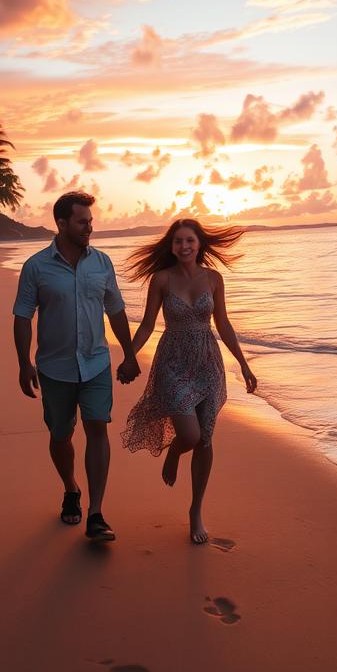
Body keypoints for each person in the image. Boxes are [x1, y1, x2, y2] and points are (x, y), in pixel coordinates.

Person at [119, 218, 257, 544]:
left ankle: (195, 510)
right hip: (173, 362)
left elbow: (222, 323)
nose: (184, 246)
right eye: (179, 241)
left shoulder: (214, 279)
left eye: (190, 241)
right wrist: (129, 355)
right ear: (172, 245)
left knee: (206, 439)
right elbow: (148, 324)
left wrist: (244, 364)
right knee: (191, 435)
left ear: (199, 244)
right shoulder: (162, 279)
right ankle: (174, 453)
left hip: (208, 362)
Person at [13, 192, 140, 542]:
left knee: (97, 427)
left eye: (90, 221)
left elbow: (115, 310)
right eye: (83, 221)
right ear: (63, 223)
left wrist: (129, 355)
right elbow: (23, 316)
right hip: (55, 369)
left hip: (96, 363)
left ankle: (96, 513)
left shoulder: (102, 263)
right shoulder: (36, 267)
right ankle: (71, 487)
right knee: (60, 435)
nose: (90, 227)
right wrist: (24, 363)